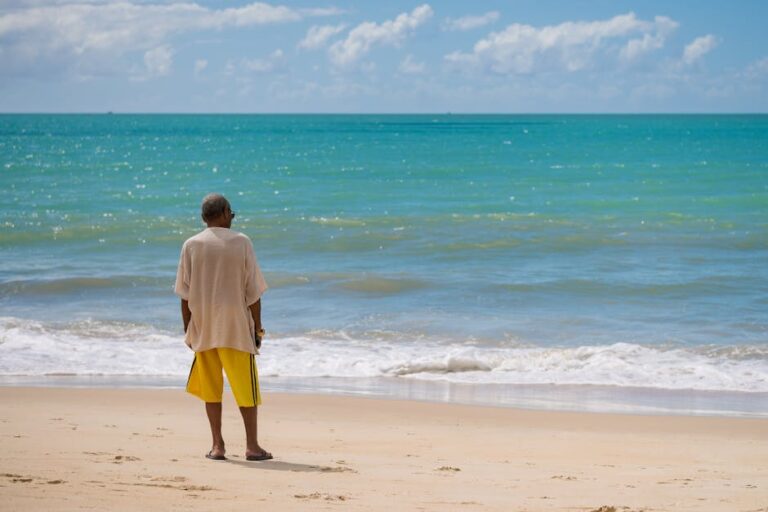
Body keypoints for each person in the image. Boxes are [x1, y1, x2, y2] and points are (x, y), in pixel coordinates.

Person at [174, 193, 272, 461]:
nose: (232, 217)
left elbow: (185, 295)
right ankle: (252, 446)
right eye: (232, 212)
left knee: (211, 389)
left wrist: (189, 329)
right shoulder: (241, 242)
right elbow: (253, 292)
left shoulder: (190, 245)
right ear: (225, 212)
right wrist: (258, 328)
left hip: (204, 327)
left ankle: (217, 446)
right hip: (236, 328)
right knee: (246, 390)